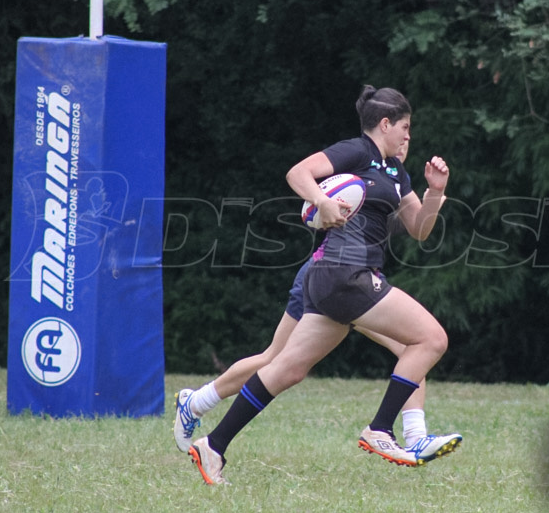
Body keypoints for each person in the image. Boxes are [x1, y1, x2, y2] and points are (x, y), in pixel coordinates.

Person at [188, 85, 459, 485]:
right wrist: (322, 201)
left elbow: (419, 229)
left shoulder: (396, 172)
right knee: (431, 339)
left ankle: (213, 445)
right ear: (384, 124)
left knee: (288, 369)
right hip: (346, 272)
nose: (408, 136)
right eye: (404, 127)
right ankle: (381, 430)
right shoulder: (356, 151)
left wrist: (436, 192)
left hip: (335, 279)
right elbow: (298, 173)